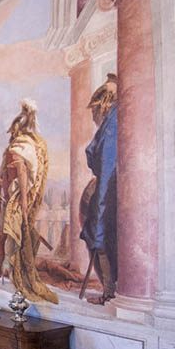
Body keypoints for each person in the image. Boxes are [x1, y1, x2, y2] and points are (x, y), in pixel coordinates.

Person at [0, 99, 58, 304]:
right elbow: (15, 175)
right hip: (11, 199)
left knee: (10, 238)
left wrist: (23, 202)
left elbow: (23, 176)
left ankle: (3, 276)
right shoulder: (24, 148)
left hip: (15, 202)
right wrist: (3, 181)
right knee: (4, 238)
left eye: (12, 131)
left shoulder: (17, 149)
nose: (11, 134)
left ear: (16, 130)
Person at [80, 74, 118, 305]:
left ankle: (109, 292)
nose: (93, 117)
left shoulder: (112, 124)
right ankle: (109, 290)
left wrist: (100, 207)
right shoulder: (110, 123)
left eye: (94, 110)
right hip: (107, 190)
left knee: (100, 237)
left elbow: (106, 166)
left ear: (102, 105)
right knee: (96, 235)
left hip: (108, 192)